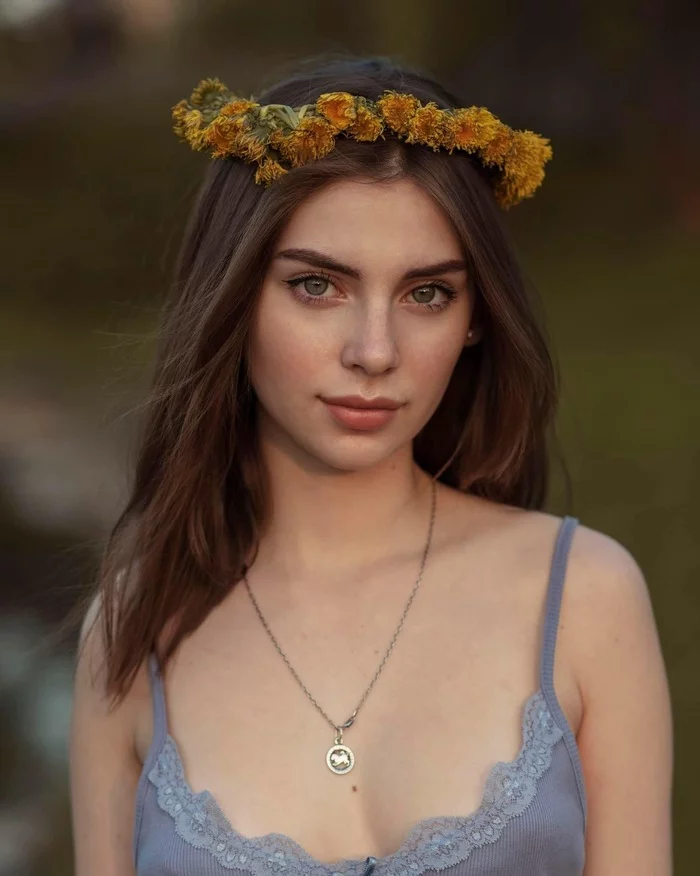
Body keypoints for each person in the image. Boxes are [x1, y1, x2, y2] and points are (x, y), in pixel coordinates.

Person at [69, 56, 673, 876]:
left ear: (473, 320)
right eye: (318, 286)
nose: (375, 352)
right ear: (235, 295)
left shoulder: (585, 596)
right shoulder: (134, 629)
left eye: (427, 294)